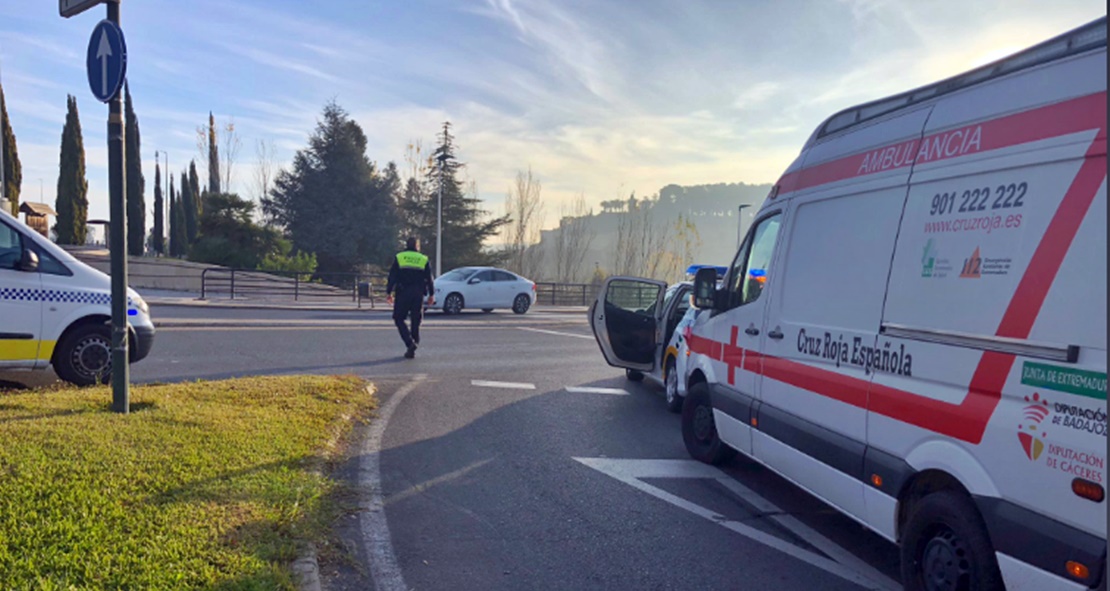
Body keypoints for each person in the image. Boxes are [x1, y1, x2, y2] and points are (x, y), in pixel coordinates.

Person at [386, 237, 435, 358]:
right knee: (415, 320)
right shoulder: (423, 259)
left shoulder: (400, 257)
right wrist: (431, 294)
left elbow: (392, 276)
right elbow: (429, 279)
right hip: (418, 293)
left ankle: (409, 343)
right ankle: (413, 345)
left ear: (406, 245)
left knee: (398, 318)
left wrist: (389, 292)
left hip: (403, 292)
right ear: (417, 246)